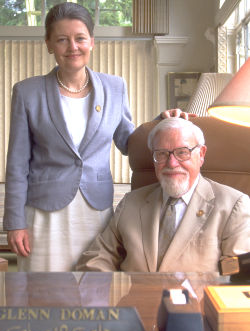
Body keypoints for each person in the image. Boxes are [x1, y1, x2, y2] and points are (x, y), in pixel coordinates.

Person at [3, 2, 187, 272]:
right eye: (62, 40)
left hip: (95, 210)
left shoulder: (115, 87)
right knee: (43, 294)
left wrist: (161, 122)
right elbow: (17, 164)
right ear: (49, 44)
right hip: (44, 214)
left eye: (80, 38)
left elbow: (129, 141)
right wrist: (15, 222)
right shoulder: (27, 92)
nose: (72, 47)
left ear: (92, 42)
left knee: (94, 292)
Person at [76, 117, 250, 272]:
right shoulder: (131, 203)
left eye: (182, 152)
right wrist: (103, 295)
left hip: (197, 305)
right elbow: (97, 258)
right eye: (162, 154)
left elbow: (237, 274)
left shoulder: (234, 205)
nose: (172, 163)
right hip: (134, 302)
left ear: (201, 154)